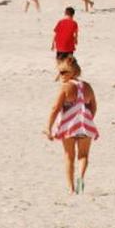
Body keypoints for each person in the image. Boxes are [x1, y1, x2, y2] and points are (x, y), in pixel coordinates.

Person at [45, 57, 98, 195]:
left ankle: (71, 189)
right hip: (85, 125)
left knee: (69, 156)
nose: (60, 76)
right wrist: (87, 119)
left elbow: (55, 108)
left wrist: (48, 127)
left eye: (63, 72)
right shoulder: (87, 86)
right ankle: (80, 177)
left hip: (69, 126)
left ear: (72, 72)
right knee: (83, 155)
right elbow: (93, 106)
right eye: (59, 72)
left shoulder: (66, 87)